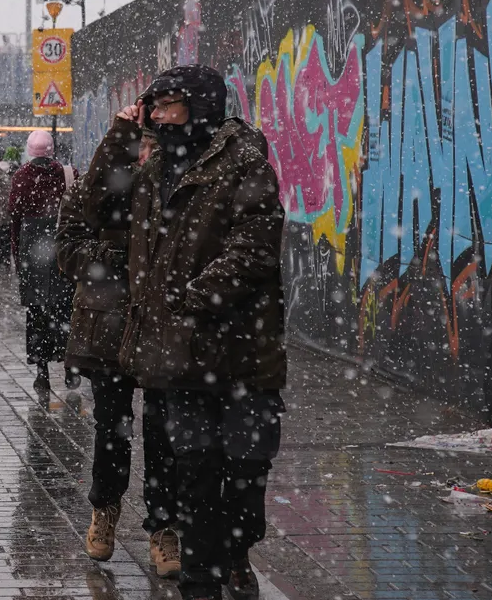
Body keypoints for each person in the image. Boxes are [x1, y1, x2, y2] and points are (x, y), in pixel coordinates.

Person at [111, 64, 286, 600]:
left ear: (201, 105)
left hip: (240, 353)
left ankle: (236, 551)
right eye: (153, 107)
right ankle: (201, 576)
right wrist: (120, 137)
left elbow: (255, 247)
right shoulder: (152, 168)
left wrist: (192, 298)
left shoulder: (243, 161)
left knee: (245, 465)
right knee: (194, 465)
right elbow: (99, 210)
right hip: (180, 355)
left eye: (168, 105)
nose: (158, 116)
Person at [57, 127, 180, 576]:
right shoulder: (95, 188)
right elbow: (65, 250)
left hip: (163, 326)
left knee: (163, 431)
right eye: (138, 147)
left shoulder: (175, 186)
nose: (145, 156)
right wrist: (108, 255)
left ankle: (164, 527)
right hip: (108, 324)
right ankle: (104, 511)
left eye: (153, 147)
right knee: (113, 427)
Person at [9, 129, 76, 391]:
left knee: (37, 312)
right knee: (66, 309)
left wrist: (16, 255)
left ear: (29, 149)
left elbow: (14, 219)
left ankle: (42, 372)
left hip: (32, 253)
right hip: (62, 252)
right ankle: (71, 368)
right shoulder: (69, 174)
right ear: (51, 149)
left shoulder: (21, 177)